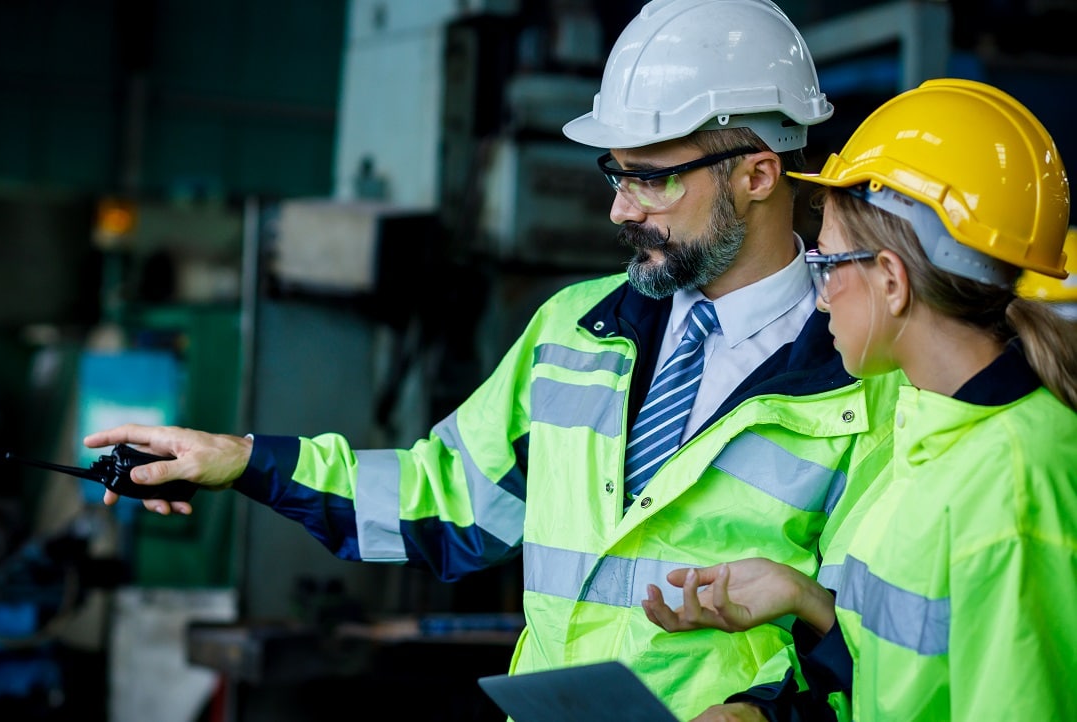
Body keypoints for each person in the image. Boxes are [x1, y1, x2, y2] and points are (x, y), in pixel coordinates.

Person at [83, 0, 901, 717]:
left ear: (758, 174)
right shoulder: (573, 332)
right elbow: (445, 502)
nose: (620, 208)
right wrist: (244, 461)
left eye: (652, 180)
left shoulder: (866, 377)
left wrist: (764, 718)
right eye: (614, 174)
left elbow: (884, 636)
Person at [641, 78, 1077, 721]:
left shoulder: (1011, 478)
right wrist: (805, 600)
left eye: (826, 265)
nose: (819, 297)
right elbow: (902, 671)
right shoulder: (929, 433)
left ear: (893, 281)